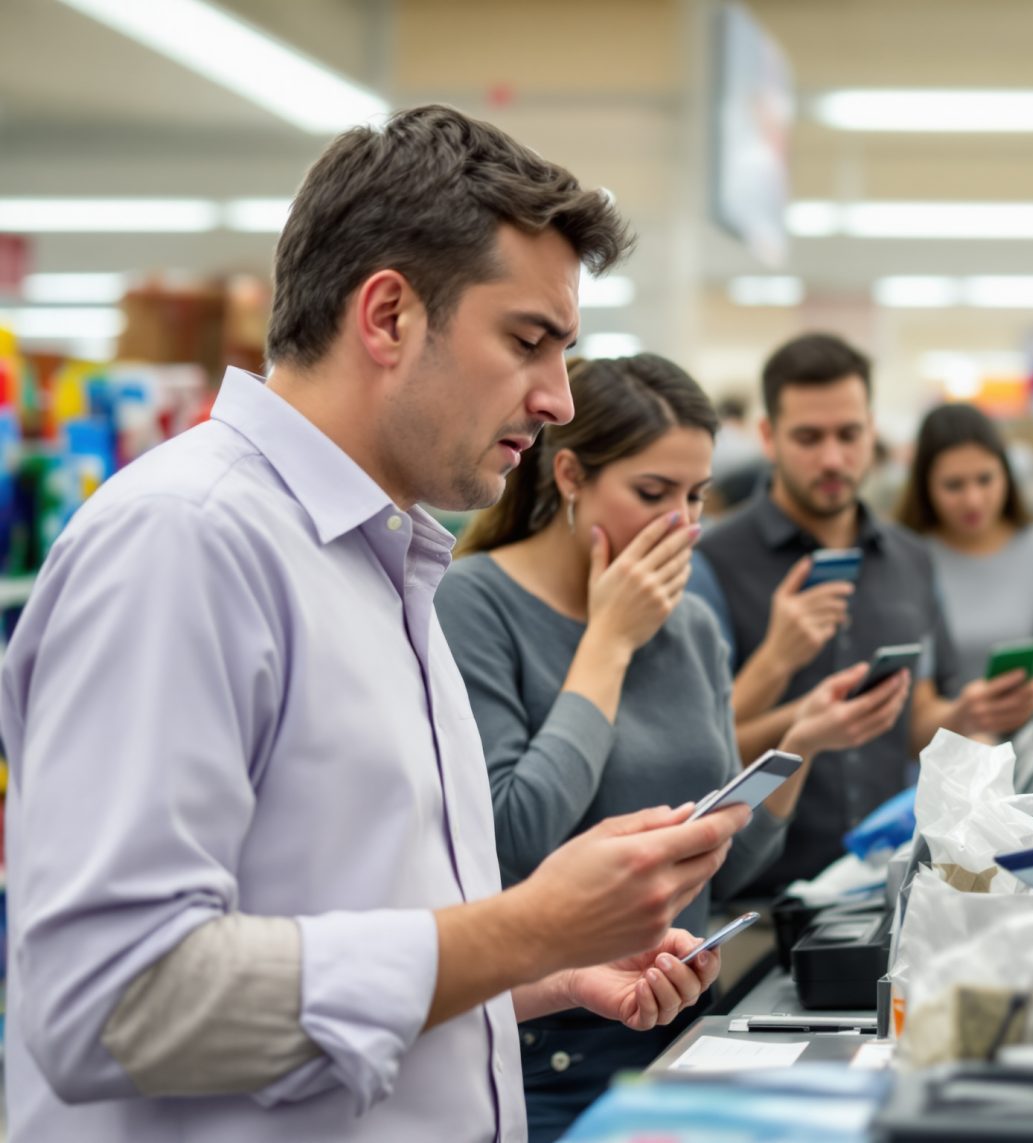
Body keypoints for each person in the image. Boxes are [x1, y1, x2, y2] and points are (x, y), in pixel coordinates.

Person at [0, 105, 752, 1142]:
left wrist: (543, 966)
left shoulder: (382, 562)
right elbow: (112, 999)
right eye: (528, 342)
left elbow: (342, 949)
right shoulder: (186, 541)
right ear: (389, 315)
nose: (558, 401)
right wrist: (527, 924)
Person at [438, 354, 905, 1139]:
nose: (684, 525)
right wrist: (609, 643)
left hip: (682, 1021)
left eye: (695, 496)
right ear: (570, 475)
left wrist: (800, 746)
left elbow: (725, 864)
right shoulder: (474, 601)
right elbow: (518, 832)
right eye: (653, 494)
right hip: (545, 1044)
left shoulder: (689, 621)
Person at [694, 332, 1033, 894]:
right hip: (755, 896)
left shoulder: (910, 559)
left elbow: (912, 723)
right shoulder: (712, 563)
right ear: (768, 437)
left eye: (849, 434)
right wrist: (781, 668)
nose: (833, 458)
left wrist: (964, 713)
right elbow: (700, 755)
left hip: (885, 889)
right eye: (809, 437)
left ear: (871, 431)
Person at [898, 402, 1033, 694]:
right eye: (954, 485)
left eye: (985, 479)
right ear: (925, 486)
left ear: (1006, 474)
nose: (973, 500)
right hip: (942, 723)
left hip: (1032, 724)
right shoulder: (908, 556)